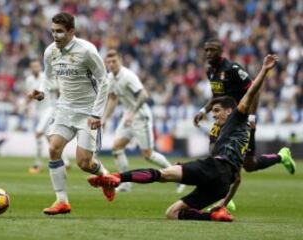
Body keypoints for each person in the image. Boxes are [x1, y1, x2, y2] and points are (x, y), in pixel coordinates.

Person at [88, 54, 293, 222]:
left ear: (231, 111)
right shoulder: (235, 133)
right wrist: (222, 204)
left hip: (214, 168)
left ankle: (117, 177)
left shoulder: (237, 118)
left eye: (218, 111)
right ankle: (213, 217)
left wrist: (264, 71)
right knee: (172, 213)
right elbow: (237, 179)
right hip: (222, 183)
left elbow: (250, 93)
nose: (214, 115)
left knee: (164, 174)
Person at [193, 39, 296, 210]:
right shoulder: (210, 72)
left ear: (221, 51)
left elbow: (254, 90)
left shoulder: (233, 69)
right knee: (218, 157)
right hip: (223, 121)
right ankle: (225, 197)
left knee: (248, 165)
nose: (209, 53)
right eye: (206, 50)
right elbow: (216, 97)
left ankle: (281, 156)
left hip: (241, 119)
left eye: (213, 50)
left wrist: (252, 117)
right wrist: (203, 111)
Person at [28, 12, 111, 215]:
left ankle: (106, 177)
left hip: (88, 113)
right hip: (65, 109)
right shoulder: (50, 52)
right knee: (54, 149)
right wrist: (42, 91)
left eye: (60, 32)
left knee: (84, 163)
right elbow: (48, 78)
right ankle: (61, 201)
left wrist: (97, 114)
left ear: (71, 32)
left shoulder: (87, 51)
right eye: (53, 31)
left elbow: (104, 81)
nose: (55, 36)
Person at [102, 50, 185, 193]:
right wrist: (105, 118)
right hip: (128, 117)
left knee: (148, 155)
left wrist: (132, 112)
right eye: (108, 62)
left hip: (140, 116)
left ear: (120, 60)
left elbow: (144, 95)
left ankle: (178, 177)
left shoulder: (128, 76)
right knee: (116, 147)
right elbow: (113, 99)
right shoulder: (110, 78)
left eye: (114, 61)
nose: (111, 64)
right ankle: (126, 184)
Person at [25, 58, 70, 174]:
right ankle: (65, 161)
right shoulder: (29, 80)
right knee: (50, 139)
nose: (35, 68)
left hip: (49, 109)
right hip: (38, 111)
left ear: (40, 66)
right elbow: (30, 96)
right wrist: (25, 104)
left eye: (37, 66)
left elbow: (58, 88)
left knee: (38, 133)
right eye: (33, 66)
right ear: (31, 68)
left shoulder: (45, 77)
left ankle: (37, 165)